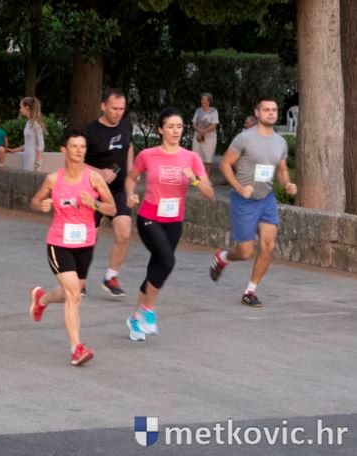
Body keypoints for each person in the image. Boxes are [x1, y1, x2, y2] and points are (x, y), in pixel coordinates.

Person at [125, 107, 214, 341]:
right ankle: (148, 310)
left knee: (156, 269)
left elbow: (210, 193)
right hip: (149, 217)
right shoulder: (148, 155)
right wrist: (131, 195)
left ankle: (135, 318)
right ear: (160, 129)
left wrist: (194, 180)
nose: (176, 131)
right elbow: (131, 178)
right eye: (171, 126)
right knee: (167, 260)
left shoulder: (191, 158)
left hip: (174, 221)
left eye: (179, 127)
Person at [29, 130, 116, 366]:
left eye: (82, 146)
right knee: (74, 294)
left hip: (85, 244)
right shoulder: (53, 179)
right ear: (64, 150)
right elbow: (35, 201)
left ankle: (42, 298)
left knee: (71, 292)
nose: (79, 150)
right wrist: (42, 205)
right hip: (59, 243)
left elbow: (112, 208)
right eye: (74, 146)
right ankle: (76, 348)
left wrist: (94, 203)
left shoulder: (94, 179)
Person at [210, 98, 297, 306]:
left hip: (266, 199)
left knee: (268, 246)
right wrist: (239, 187)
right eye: (266, 110)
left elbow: (282, 170)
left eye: (274, 110)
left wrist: (287, 184)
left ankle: (250, 291)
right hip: (244, 200)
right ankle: (223, 257)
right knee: (245, 252)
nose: (271, 113)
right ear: (257, 113)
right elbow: (225, 164)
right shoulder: (245, 138)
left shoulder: (280, 142)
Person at [83, 88, 134, 299]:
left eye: (121, 109)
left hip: (118, 190)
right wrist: (99, 172)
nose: (118, 113)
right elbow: (75, 162)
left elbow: (128, 147)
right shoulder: (89, 131)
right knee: (89, 239)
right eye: (114, 108)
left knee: (124, 233)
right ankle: (80, 279)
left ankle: (111, 277)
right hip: (93, 191)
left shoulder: (127, 124)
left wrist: (131, 176)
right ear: (103, 106)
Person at [8, 97, 45, 172]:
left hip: (33, 159)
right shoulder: (28, 123)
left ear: (27, 107)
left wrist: (37, 163)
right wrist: (13, 150)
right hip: (27, 157)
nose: (20, 109)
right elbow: (28, 144)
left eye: (21, 107)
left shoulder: (36, 123)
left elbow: (41, 144)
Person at [192, 92, 219, 175]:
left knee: (208, 160)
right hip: (198, 136)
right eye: (202, 99)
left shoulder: (214, 111)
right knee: (196, 158)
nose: (202, 101)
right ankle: (197, 178)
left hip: (210, 138)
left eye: (205, 99)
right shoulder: (198, 110)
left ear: (209, 101)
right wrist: (200, 131)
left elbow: (214, 125)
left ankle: (206, 179)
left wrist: (203, 132)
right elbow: (194, 123)